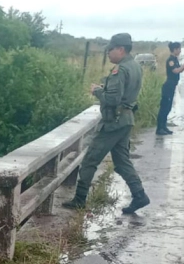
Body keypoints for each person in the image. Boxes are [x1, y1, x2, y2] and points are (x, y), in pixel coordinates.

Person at [62, 33, 150, 215]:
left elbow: (112, 99)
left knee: (89, 160)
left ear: (121, 49)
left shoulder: (121, 69)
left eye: (110, 50)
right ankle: (139, 195)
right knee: (122, 162)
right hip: (126, 120)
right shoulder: (135, 66)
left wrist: (97, 91)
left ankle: (79, 199)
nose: (108, 53)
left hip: (113, 123)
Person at [156, 42, 184, 135]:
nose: (180, 51)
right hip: (168, 86)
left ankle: (163, 127)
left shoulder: (175, 59)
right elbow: (176, 71)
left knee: (168, 108)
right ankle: (159, 128)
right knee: (164, 108)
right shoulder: (171, 60)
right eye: (179, 49)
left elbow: (180, 69)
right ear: (175, 49)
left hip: (172, 86)